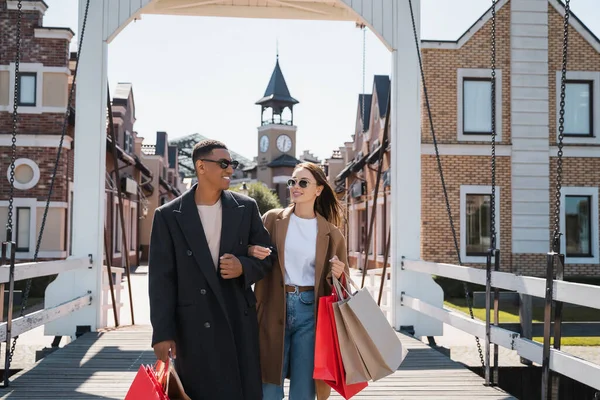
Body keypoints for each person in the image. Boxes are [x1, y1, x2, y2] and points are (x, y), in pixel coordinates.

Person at [148, 139, 273, 400]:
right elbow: (161, 280)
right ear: (201, 167)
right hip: (192, 326)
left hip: (237, 319)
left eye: (233, 164)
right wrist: (162, 333)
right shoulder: (168, 215)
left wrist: (243, 266)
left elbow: (267, 258)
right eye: (224, 164)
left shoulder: (246, 208)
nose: (231, 170)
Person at [248, 162, 350, 400]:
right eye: (293, 181)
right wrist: (252, 251)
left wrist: (338, 272)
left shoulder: (332, 233)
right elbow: (253, 256)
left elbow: (343, 284)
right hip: (273, 303)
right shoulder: (272, 220)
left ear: (318, 190)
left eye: (303, 182)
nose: (295, 186)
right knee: (268, 384)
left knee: (304, 388)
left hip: (311, 311)